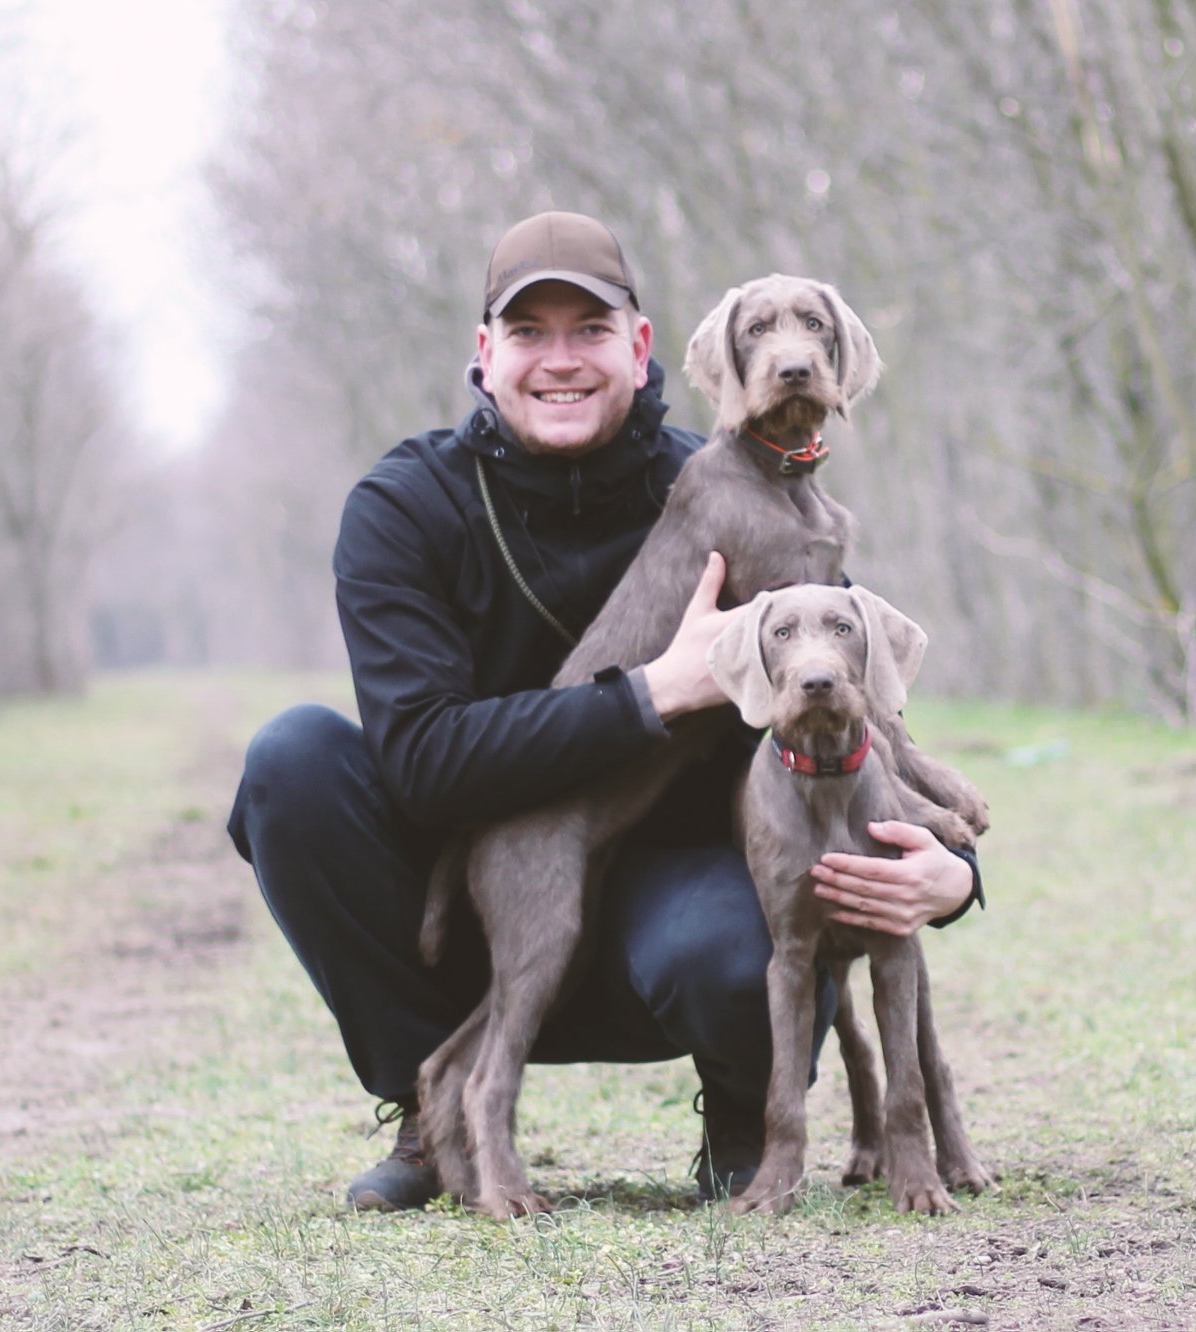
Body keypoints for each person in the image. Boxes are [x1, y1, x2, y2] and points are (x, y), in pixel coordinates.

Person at [227, 211, 981, 1211]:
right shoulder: (407, 505)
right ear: (484, 352)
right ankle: (435, 1104)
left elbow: (852, 690)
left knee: (730, 951)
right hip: (500, 865)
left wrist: (953, 869)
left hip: (691, 880)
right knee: (294, 762)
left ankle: (745, 1108)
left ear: (641, 345)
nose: (560, 360)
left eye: (588, 330)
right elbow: (420, 762)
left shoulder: (727, 482)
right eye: (528, 333)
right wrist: (658, 690)